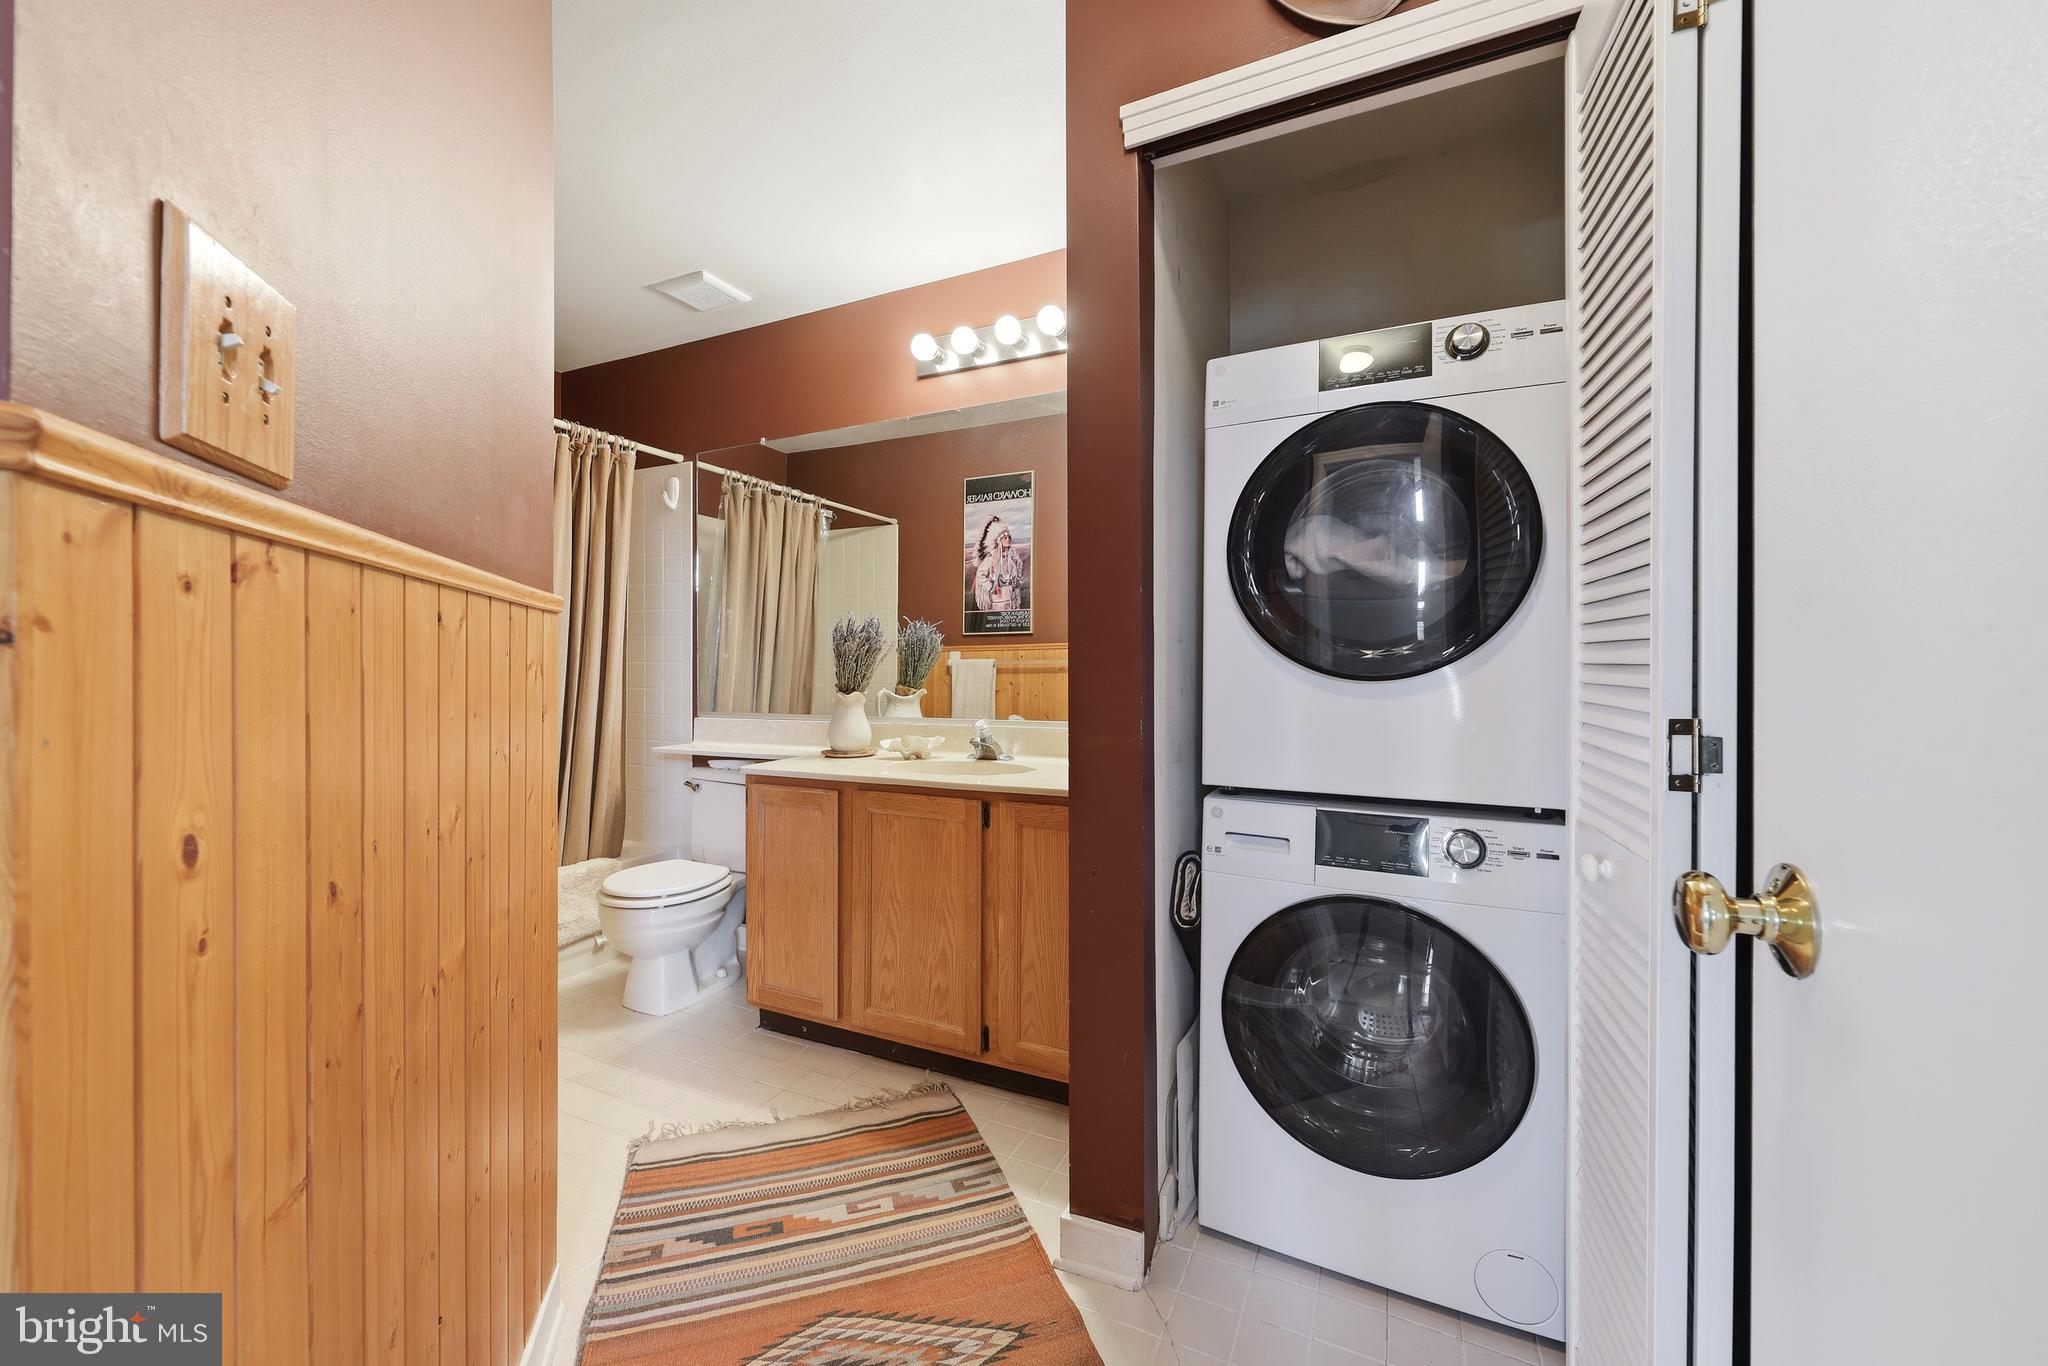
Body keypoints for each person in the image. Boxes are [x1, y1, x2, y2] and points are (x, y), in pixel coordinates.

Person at [972, 515, 1025, 615]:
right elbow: (980, 574)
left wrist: (1017, 581)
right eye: (1005, 538)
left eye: (1009, 537)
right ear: (999, 540)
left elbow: (1019, 566)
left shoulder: (1013, 555)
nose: (1008, 539)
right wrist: (991, 587)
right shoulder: (992, 557)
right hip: (998, 598)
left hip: (1012, 596)